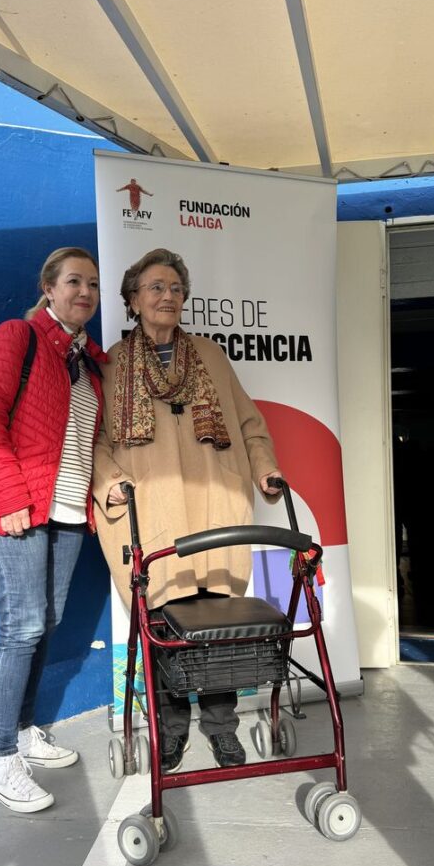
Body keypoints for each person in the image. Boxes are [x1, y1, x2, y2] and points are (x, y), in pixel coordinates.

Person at [93, 248, 282, 773]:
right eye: (156, 287)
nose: (168, 296)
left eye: (176, 289)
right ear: (133, 300)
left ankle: (222, 729)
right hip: (153, 513)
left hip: (214, 507)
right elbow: (97, 441)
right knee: (163, 625)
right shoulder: (112, 364)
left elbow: (249, 424)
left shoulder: (211, 355)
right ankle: (171, 731)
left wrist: (265, 468)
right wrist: (110, 482)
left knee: (220, 626)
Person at [0, 247, 107, 813]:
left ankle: (24, 730)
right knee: (21, 627)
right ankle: (1, 761)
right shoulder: (17, 337)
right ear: (48, 287)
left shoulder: (88, 360)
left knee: (44, 623)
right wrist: (9, 496)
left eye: (93, 284)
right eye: (73, 281)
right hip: (16, 506)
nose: (85, 292)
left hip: (66, 511)